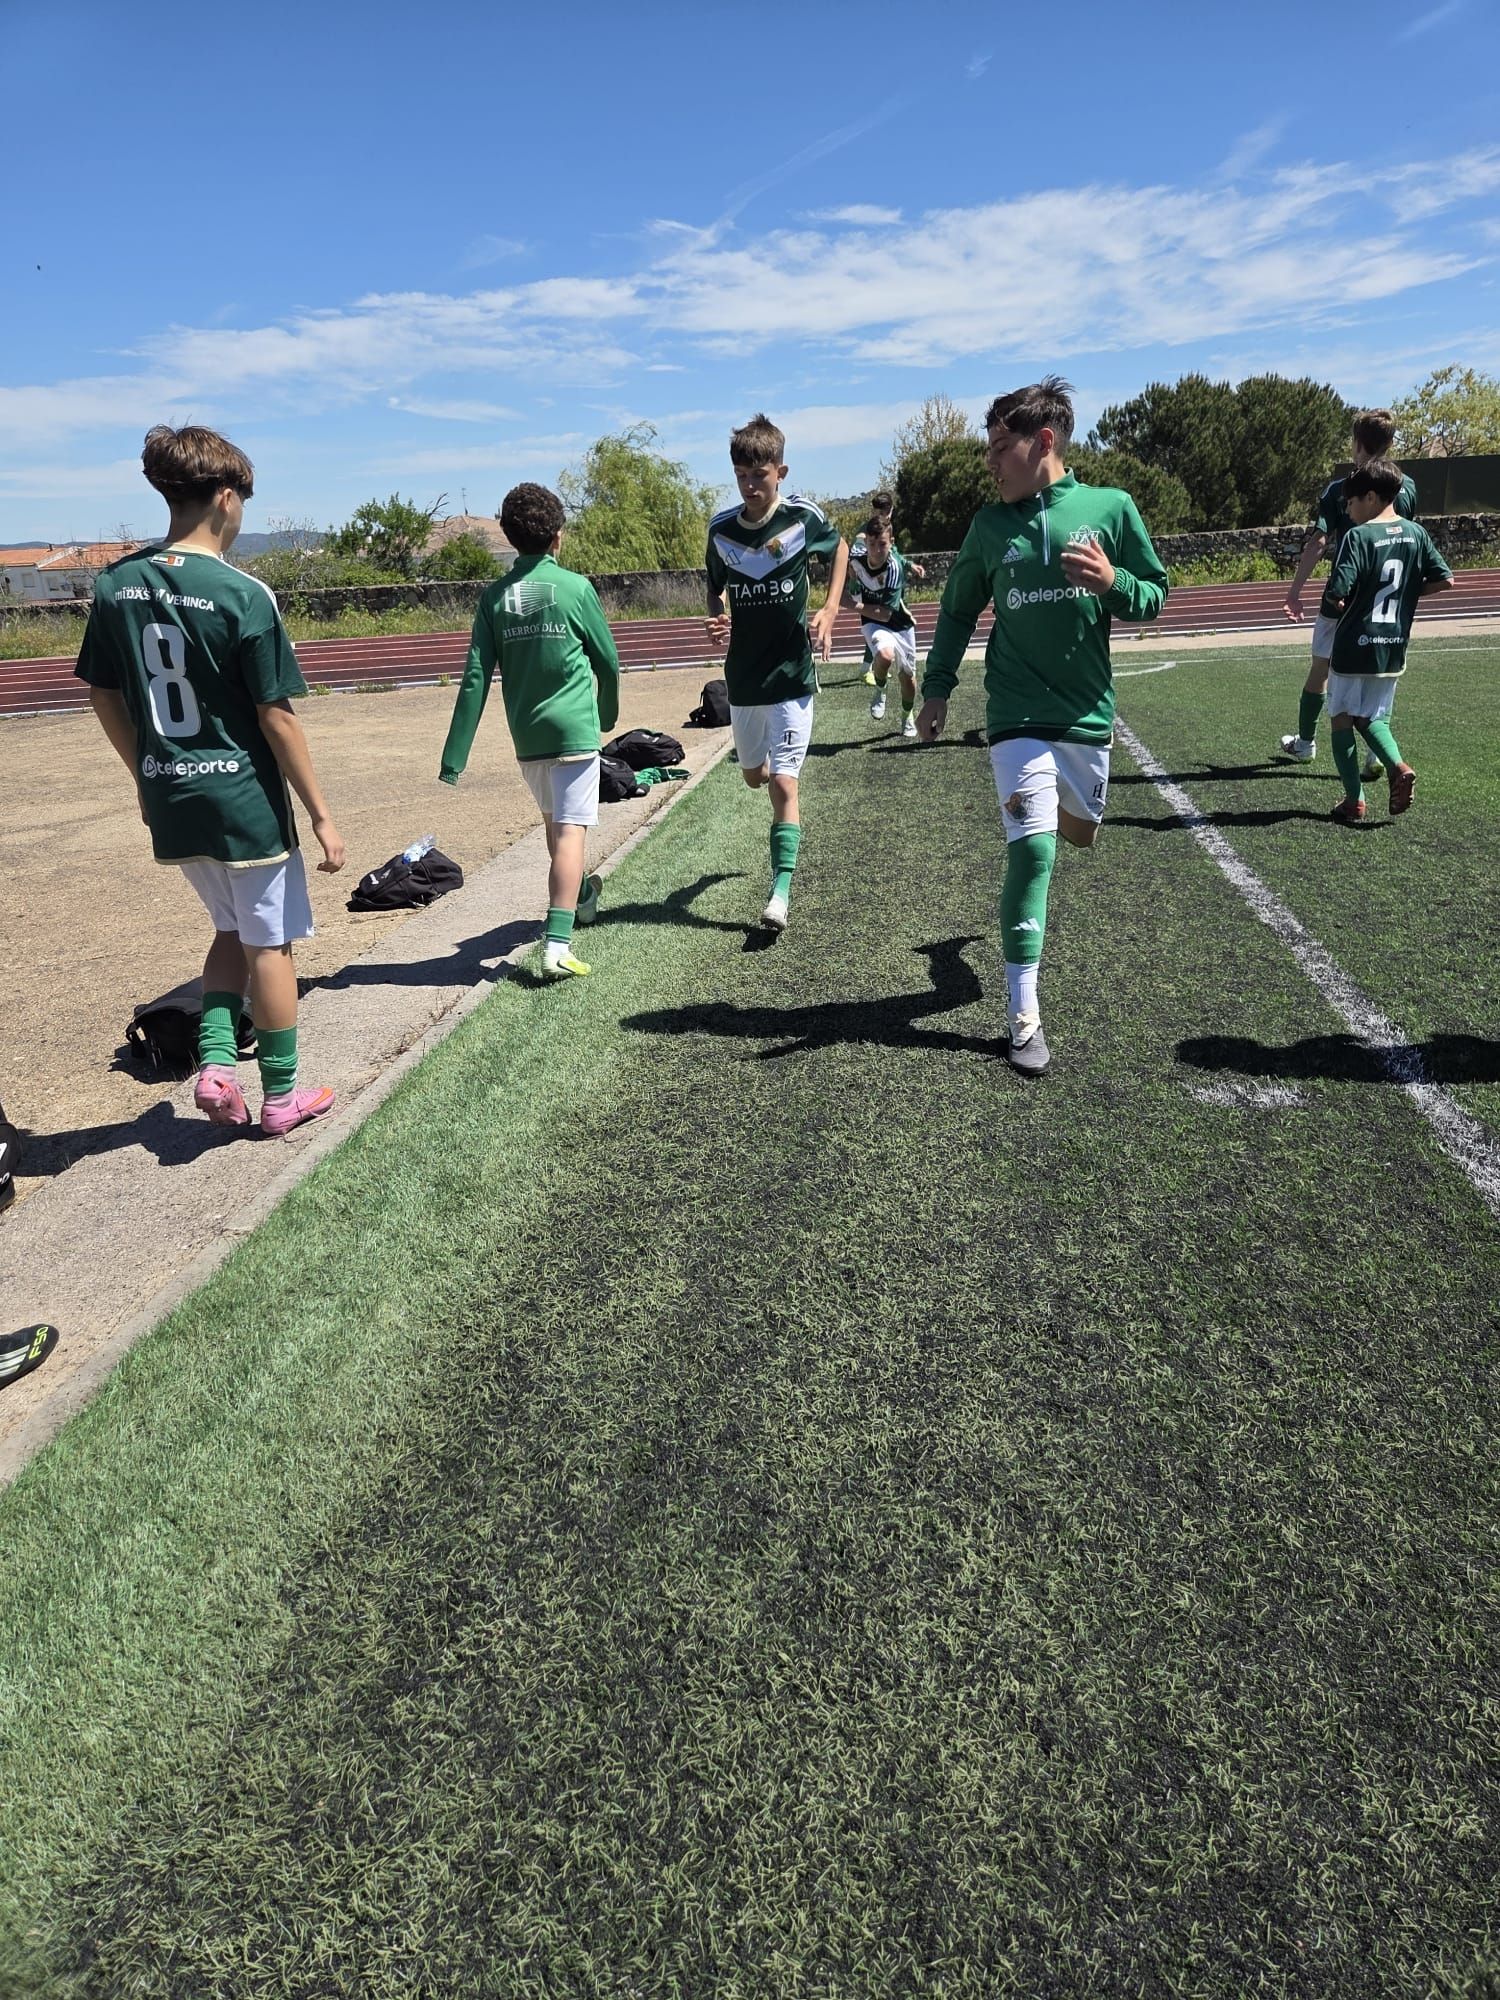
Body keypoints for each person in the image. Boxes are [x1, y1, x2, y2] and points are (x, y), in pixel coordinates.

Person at [76, 426, 345, 1137]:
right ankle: (282, 1097)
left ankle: (219, 1066)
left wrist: (143, 771)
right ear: (226, 498)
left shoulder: (114, 585)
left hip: (172, 792)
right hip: (243, 799)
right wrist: (321, 813)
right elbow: (276, 717)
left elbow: (102, 691)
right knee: (272, 945)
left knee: (229, 925)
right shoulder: (241, 592)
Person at [917, 376, 1168, 1075]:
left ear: (1045, 441)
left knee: (1076, 836)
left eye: (1002, 447)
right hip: (1016, 716)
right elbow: (960, 610)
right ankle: (1023, 1018)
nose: (991, 462)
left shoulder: (1110, 508)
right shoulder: (988, 527)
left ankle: (952, 961)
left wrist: (1115, 583)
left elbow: (1156, 596)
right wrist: (936, 690)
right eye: (988, 449)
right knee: (1034, 854)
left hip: (1086, 717)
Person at [440, 483, 619, 978]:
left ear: (508, 535)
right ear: (558, 536)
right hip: (574, 732)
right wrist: (607, 714)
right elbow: (608, 661)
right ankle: (557, 944)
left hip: (529, 737)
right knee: (569, 836)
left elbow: (475, 676)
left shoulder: (494, 598)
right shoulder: (576, 589)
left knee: (555, 827)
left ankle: (581, 895)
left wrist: (454, 756)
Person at [705, 415, 849, 932]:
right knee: (755, 778)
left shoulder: (802, 518)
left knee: (784, 785)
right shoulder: (721, 531)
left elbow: (840, 548)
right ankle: (760, 769)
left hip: (791, 676)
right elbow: (715, 588)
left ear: (780, 472)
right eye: (742, 475)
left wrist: (831, 610)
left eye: (759, 475)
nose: (750, 485)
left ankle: (779, 894)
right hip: (743, 679)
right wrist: (718, 620)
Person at [1280, 409, 1419, 772]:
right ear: (1390, 443)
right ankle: (1377, 754)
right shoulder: (1407, 487)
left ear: (1357, 443)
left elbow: (1319, 542)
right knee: (1381, 674)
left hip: (1344, 596)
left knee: (1321, 668)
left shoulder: (1340, 489)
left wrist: (1295, 590)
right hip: (1387, 604)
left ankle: (1306, 742)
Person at [1321, 459, 1454, 824]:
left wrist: (1339, 599)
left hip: (1353, 645)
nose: (1348, 510)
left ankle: (1354, 801)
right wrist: (1410, 593)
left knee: (1341, 719)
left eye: (1351, 502)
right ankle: (1397, 767)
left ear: (1371, 496)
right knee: (1374, 717)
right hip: (1393, 645)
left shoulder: (1359, 537)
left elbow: (1337, 591)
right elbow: (1446, 580)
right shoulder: (1417, 534)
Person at [847, 513, 920, 737]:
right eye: (872, 544)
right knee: (885, 655)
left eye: (883, 544)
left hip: (896, 621)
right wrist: (850, 581)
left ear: (892, 543)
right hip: (872, 621)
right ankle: (880, 689)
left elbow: (886, 614)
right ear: (865, 542)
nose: (877, 550)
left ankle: (907, 715)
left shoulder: (894, 568)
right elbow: (843, 560)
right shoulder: (856, 556)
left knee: (908, 677)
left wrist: (853, 605)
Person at [854, 491, 925, 684]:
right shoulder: (867, 532)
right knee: (878, 623)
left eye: (885, 511)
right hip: (874, 590)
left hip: (890, 586)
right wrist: (853, 585)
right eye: (880, 511)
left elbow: (895, 555)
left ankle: (876, 666)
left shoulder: (887, 530)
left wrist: (910, 565)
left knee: (887, 625)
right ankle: (868, 669)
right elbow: (854, 560)